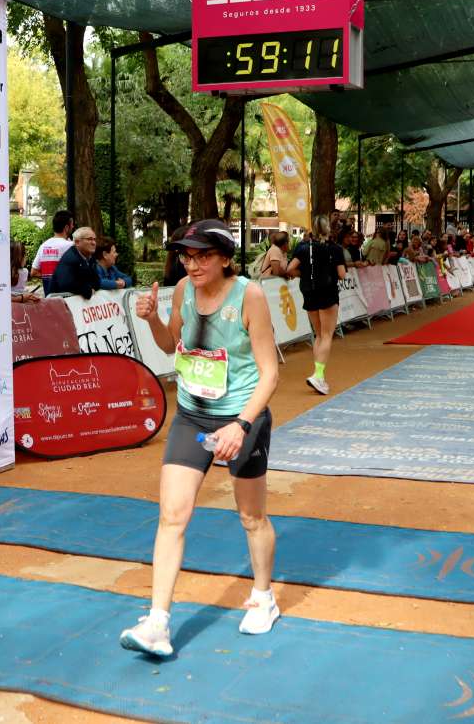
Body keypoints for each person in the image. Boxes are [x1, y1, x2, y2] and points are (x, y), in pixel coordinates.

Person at [121, 218, 280, 658]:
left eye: (203, 255)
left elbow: (270, 373)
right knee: (172, 515)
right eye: (187, 256)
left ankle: (264, 597)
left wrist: (241, 425)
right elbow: (172, 344)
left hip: (241, 418)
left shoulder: (249, 295)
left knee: (252, 518)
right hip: (193, 416)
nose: (192, 264)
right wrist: (153, 319)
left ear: (226, 258)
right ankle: (157, 623)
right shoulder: (183, 291)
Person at [286, 215, 346, 395]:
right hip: (327, 292)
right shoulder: (334, 249)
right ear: (328, 229)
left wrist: (303, 275)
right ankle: (318, 375)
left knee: (319, 335)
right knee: (327, 335)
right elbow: (342, 274)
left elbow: (290, 269)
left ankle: (319, 374)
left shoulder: (303, 247)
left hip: (309, 292)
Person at [50, 226, 101, 298]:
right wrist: (87, 290)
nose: (93, 243)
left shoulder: (90, 257)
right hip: (60, 303)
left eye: (94, 239)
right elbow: (66, 284)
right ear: (77, 242)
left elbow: (96, 282)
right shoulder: (70, 258)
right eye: (89, 239)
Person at [32, 210, 75, 295]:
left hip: (50, 299)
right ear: (66, 228)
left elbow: (34, 272)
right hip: (67, 299)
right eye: (72, 224)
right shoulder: (70, 246)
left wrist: (50, 277)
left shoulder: (43, 246)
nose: (73, 226)